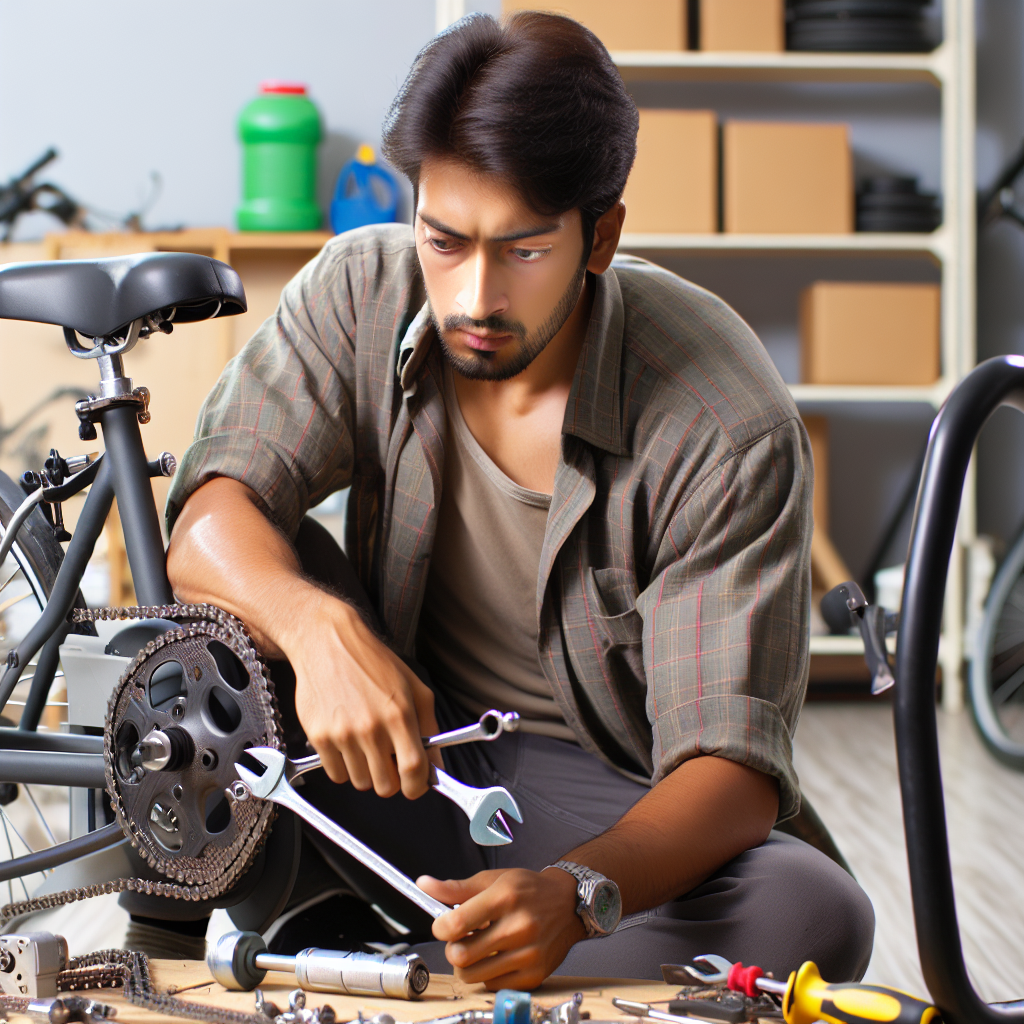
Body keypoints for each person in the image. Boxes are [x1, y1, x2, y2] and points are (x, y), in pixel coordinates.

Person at [165, 10, 874, 989]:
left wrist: (581, 892)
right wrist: (319, 629)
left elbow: (732, 771)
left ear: (601, 236)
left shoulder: (723, 416)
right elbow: (207, 520)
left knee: (814, 911)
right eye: (445, 241)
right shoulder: (358, 290)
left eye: (523, 250)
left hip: (608, 801)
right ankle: (368, 953)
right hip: (403, 755)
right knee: (201, 643)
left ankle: (364, 967)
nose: (474, 297)